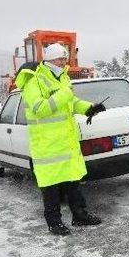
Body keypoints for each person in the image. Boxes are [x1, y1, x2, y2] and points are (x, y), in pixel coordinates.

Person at [15, 43, 107, 235]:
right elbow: (40, 108)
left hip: (66, 143)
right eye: (59, 59)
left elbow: (71, 103)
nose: (63, 62)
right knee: (51, 188)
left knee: (73, 181)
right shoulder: (35, 81)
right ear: (49, 61)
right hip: (48, 147)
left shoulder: (62, 78)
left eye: (64, 59)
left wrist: (89, 108)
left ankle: (80, 216)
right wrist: (65, 93)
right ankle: (54, 222)